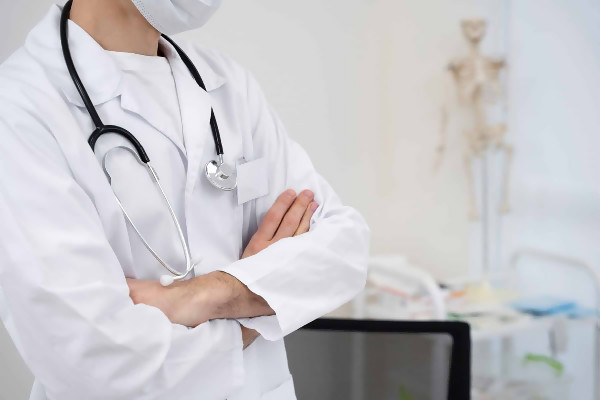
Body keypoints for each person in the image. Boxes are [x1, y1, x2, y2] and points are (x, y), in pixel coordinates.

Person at [0, 0, 370, 399]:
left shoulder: (227, 84)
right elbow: (95, 357)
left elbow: (343, 250)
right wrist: (262, 301)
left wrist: (209, 294)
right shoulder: (21, 107)